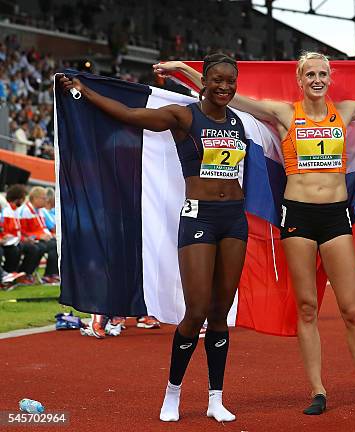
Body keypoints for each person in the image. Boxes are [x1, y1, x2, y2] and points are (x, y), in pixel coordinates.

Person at [153, 53, 355, 415]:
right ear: (299, 78)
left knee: (352, 309)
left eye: (323, 73)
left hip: (336, 217)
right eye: (310, 73)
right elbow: (237, 97)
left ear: (331, 78)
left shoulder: (346, 109)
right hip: (298, 217)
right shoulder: (284, 114)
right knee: (307, 307)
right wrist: (186, 71)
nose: (317, 79)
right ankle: (318, 391)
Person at [60, 52, 249, 423]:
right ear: (203, 83)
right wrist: (85, 91)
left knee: (220, 314)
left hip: (234, 220)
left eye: (231, 81)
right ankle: (173, 393)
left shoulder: (238, 122)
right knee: (195, 312)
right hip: (200, 218)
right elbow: (129, 116)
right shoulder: (183, 116)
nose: (225, 86)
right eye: (217, 80)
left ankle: (215, 398)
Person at [1, 184, 44, 285]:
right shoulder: (7, 211)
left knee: (34, 248)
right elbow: (5, 230)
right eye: (23, 198)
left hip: (16, 240)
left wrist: (26, 238)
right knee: (16, 249)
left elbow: (19, 231)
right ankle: (10, 273)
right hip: (8, 241)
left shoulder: (14, 211)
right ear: (18, 199)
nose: (24, 201)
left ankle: (24, 273)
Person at [17, 186, 59, 284]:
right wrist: (38, 237)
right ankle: (26, 273)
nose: (46, 201)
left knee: (57, 244)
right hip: (29, 240)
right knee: (40, 247)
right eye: (44, 198)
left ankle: (50, 274)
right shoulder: (25, 211)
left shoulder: (40, 210)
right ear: (35, 198)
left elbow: (42, 228)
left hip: (40, 239)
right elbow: (22, 231)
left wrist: (49, 235)